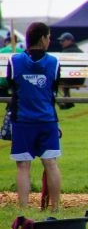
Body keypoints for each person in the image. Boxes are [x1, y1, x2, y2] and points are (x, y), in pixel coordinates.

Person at [7, 22, 62, 209]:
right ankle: (55, 207)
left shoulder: (14, 61)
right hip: (47, 120)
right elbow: (54, 89)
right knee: (51, 163)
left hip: (22, 120)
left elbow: (10, 85)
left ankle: (23, 207)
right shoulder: (54, 63)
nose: (49, 40)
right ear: (43, 38)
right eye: (49, 37)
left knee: (23, 166)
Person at [56, 32, 84, 109]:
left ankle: (61, 103)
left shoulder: (65, 52)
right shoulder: (80, 51)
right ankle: (67, 101)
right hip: (80, 79)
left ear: (70, 41)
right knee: (62, 78)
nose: (61, 43)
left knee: (51, 81)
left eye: (63, 41)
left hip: (70, 78)